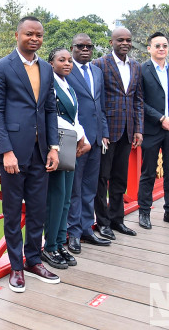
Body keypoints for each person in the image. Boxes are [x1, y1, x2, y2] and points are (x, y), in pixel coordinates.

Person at [0, 16, 61, 292]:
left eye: (39, 35)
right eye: (29, 34)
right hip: (13, 154)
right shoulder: (1, 67)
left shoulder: (46, 68)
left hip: (41, 151)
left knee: (38, 210)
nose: (34, 38)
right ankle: (16, 267)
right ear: (16, 35)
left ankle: (33, 260)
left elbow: (50, 110)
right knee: (11, 212)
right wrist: (6, 150)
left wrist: (53, 146)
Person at [91, 27, 144, 240]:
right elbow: (97, 100)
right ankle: (102, 222)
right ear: (111, 42)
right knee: (102, 178)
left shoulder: (136, 66)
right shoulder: (99, 64)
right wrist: (101, 130)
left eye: (128, 40)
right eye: (120, 39)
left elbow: (138, 99)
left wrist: (139, 128)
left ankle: (117, 220)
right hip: (107, 131)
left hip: (127, 130)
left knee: (120, 178)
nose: (125, 43)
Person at [41, 47, 91, 269]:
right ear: (51, 63)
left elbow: (74, 118)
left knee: (67, 198)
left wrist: (84, 138)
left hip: (70, 142)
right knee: (56, 197)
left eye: (69, 60)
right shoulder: (48, 84)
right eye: (62, 60)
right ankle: (49, 246)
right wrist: (77, 135)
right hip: (57, 144)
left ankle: (61, 242)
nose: (68, 64)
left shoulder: (68, 86)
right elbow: (51, 117)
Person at [137, 32, 169, 230]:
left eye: (165, 45)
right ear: (149, 48)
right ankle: (144, 211)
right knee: (148, 172)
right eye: (157, 45)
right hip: (152, 129)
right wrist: (161, 119)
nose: (161, 49)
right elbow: (139, 101)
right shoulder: (141, 70)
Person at [66, 33, 112, 252]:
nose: (85, 49)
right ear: (73, 47)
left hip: (95, 139)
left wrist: (104, 133)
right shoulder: (65, 69)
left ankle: (86, 229)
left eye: (89, 46)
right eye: (80, 46)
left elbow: (100, 106)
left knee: (90, 188)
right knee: (74, 188)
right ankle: (72, 233)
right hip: (75, 140)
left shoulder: (96, 71)